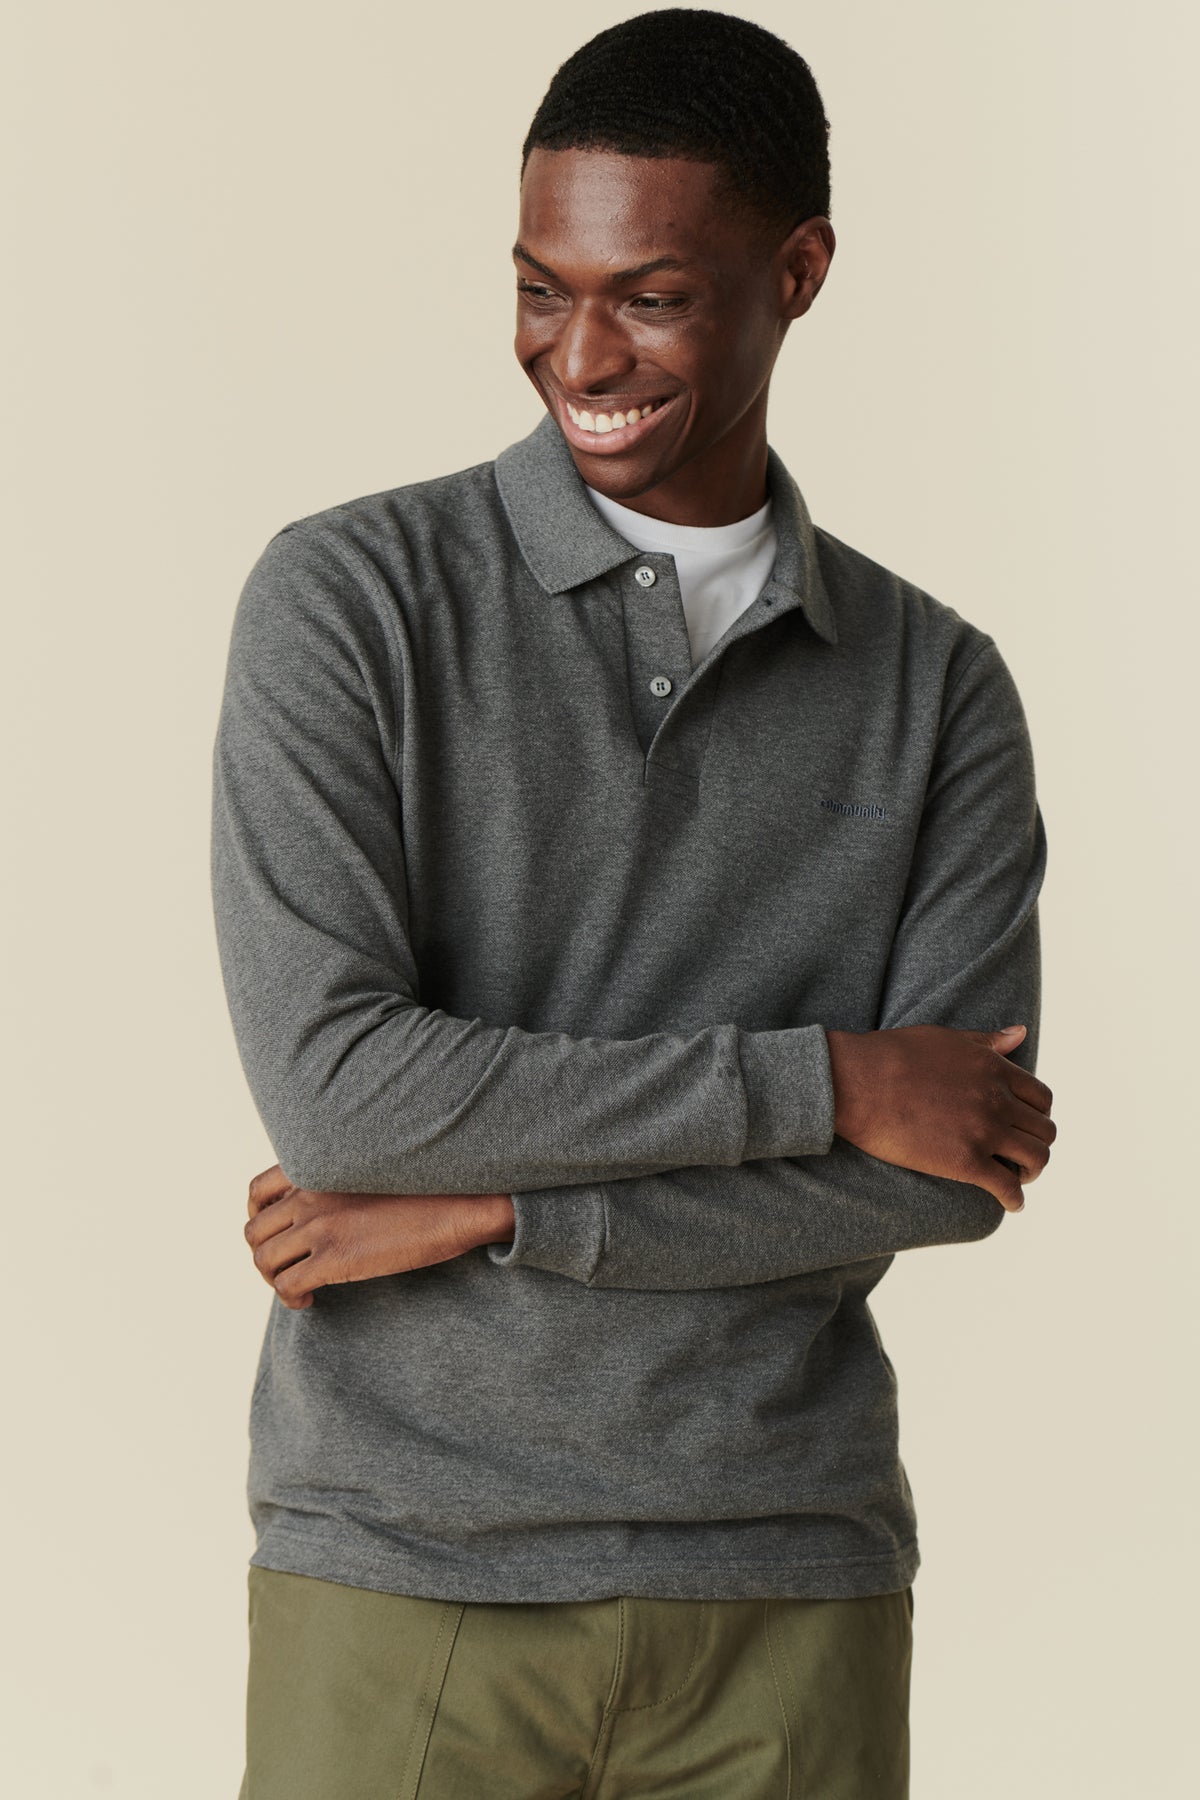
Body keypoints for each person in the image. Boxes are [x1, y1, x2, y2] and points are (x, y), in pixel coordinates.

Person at [211, 10, 1056, 1796]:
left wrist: (495, 1208)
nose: (576, 353)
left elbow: (952, 1169)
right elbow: (342, 1096)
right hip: (406, 1567)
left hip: (788, 1578)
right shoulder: (349, 602)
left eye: (649, 296)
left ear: (799, 271)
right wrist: (824, 1078)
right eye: (540, 289)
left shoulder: (939, 688)